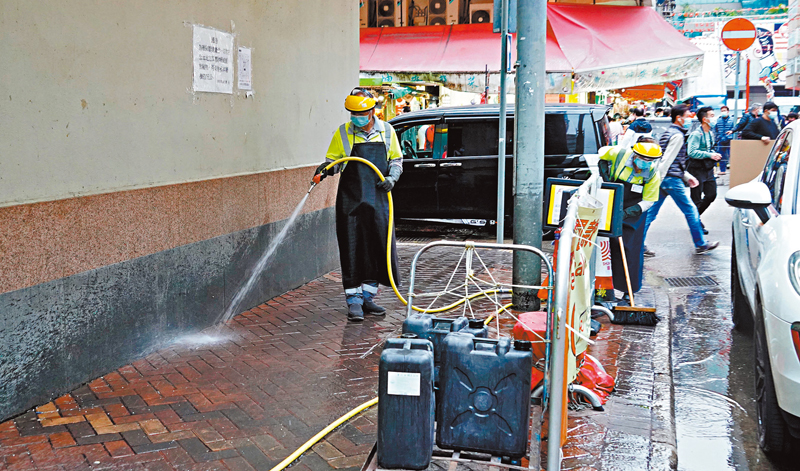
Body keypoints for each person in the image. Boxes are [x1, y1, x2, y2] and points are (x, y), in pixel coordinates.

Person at [314, 89, 403, 322]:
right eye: (353, 113)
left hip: (379, 199)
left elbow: (396, 160)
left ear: (372, 111)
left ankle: (368, 297)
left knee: (377, 247)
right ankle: (353, 300)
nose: (357, 117)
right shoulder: (343, 133)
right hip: (351, 201)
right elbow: (335, 162)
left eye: (361, 113)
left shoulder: (387, 131)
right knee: (351, 246)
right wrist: (325, 169)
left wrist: (392, 178)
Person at [643, 105, 718, 257]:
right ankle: (700, 244)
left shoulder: (671, 132)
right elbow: (667, 160)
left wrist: (686, 176)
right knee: (690, 210)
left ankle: (638, 243)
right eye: (687, 116)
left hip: (667, 178)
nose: (690, 119)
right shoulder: (677, 136)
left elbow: (671, 161)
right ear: (679, 118)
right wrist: (663, 178)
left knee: (651, 213)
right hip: (670, 179)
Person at [597, 139, 663, 298]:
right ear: (635, 154)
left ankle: (629, 291)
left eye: (650, 161)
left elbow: (649, 201)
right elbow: (599, 155)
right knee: (604, 247)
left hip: (634, 211)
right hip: (610, 200)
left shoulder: (653, 173)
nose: (646, 163)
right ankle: (603, 289)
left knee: (630, 249)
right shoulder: (618, 154)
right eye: (643, 159)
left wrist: (626, 213)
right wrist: (603, 173)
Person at [687, 107, 722, 233]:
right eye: (712, 115)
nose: (715, 118)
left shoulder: (710, 133)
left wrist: (713, 154)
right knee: (696, 198)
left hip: (707, 169)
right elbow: (691, 152)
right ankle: (696, 223)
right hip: (696, 169)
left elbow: (709, 149)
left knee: (711, 194)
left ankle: (694, 217)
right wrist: (709, 155)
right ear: (704, 119)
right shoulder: (696, 134)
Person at [713, 105, 735, 174]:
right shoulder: (718, 120)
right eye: (722, 111)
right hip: (721, 140)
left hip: (730, 140)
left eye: (724, 111)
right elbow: (715, 129)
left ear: (728, 111)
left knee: (732, 155)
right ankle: (722, 170)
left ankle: (734, 170)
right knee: (721, 156)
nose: (723, 112)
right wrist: (717, 138)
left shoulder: (732, 120)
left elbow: (735, 129)